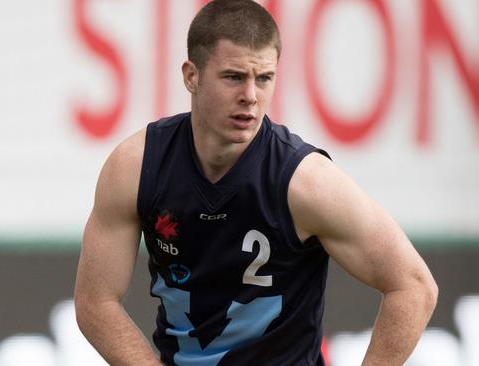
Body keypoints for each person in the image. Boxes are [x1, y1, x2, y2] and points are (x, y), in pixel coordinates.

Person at [74, 0, 438, 365]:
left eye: (264, 78)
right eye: (234, 77)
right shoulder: (136, 167)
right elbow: (95, 301)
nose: (250, 95)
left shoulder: (306, 182)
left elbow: (414, 286)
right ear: (191, 75)